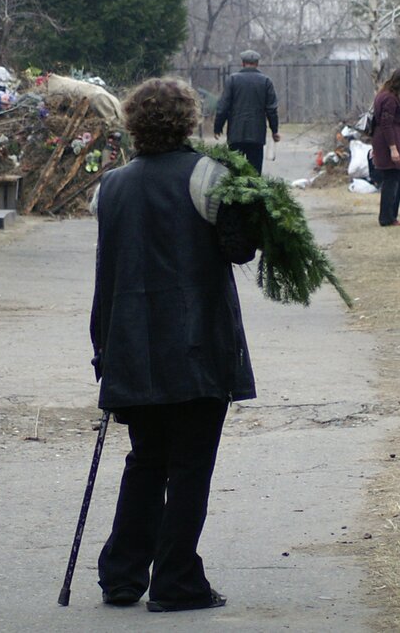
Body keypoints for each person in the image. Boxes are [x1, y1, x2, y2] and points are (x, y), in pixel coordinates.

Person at [90, 77, 256, 613]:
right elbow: (238, 250)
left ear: (134, 124)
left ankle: (122, 574)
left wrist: (102, 351)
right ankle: (176, 580)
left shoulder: (109, 187)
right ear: (188, 121)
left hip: (131, 345)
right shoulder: (209, 176)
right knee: (188, 464)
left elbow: (107, 275)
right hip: (196, 347)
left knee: (146, 459)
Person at [213, 49, 280, 174]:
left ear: (243, 63)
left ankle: (234, 193)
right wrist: (274, 130)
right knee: (254, 173)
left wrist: (218, 127)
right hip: (257, 135)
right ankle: (253, 193)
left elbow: (223, 106)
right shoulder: (265, 82)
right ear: (257, 63)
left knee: (234, 172)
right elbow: (271, 109)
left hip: (235, 134)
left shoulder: (232, 80)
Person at [370, 68, 400, 226]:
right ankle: (387, 218)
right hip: (388, 142)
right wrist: (393, 148)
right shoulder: (390, 98)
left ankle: (389, 216)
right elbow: (386, 124)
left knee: (394, 178)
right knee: (393, 179)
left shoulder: (383, 94)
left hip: (384, 140)